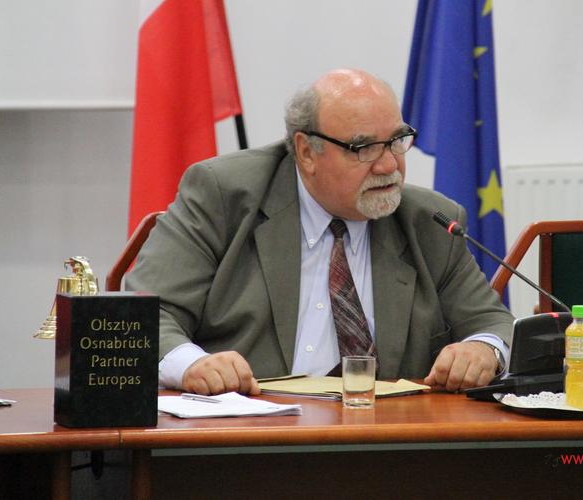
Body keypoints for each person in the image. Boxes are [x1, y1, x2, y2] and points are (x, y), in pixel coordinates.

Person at [126, 69, 514, 396]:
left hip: (388, 436)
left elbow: (494, 323)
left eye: (396, 141)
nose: (388, 165)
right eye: (363, 147)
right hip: (251, 430)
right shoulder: (224, 196)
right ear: (307, 152)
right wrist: (192, 365)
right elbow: (146, 313)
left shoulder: (429, 221)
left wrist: (484, 349)